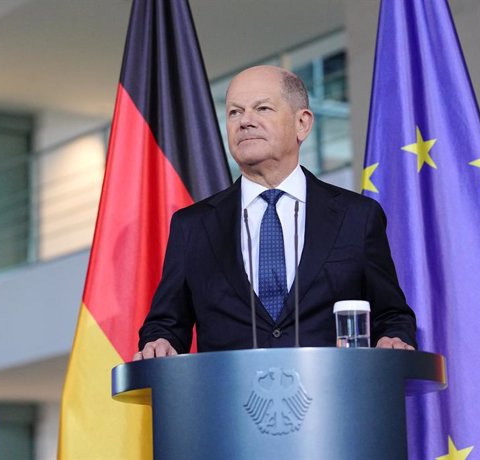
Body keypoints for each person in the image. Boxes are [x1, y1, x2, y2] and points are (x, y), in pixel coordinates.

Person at [134, 65, 416, 360]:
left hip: (332, 399)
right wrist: (160, 341)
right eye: (234, 112)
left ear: (302, 124)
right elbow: (166, 323)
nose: (245, 121)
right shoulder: (192, 226)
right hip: (229, 402)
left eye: (263, 108)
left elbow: (392, 314)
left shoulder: (357, 216)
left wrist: (392, 337)